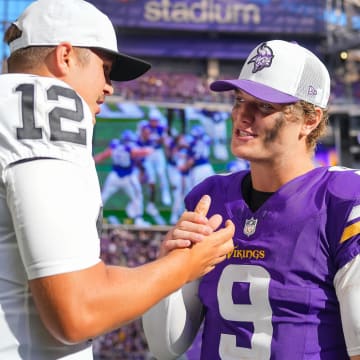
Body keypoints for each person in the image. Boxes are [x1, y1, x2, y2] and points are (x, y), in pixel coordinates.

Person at [0, 0, 235, 358]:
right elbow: (78, 310)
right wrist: (185, 265)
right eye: (105, 69)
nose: (109, 87)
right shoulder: (45, 104)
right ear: (64, 56)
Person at [143, 40, 360, 359]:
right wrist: (169, 264)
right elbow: (165, 346)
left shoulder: (341, 201)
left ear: (310, 119)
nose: (241, 116)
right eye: (240, 100)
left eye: (264, 106)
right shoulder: (212, 199)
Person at [94, 130, 151, 226]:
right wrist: (150, 149)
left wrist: (93, 160)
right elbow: (141, 152)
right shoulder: (129, 148)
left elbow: (103, 155)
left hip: (115, 176)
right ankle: (138, 219)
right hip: (128, 177)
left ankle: (93, 216)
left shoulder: (115, 145)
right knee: (137, 196)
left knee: (103, 197)